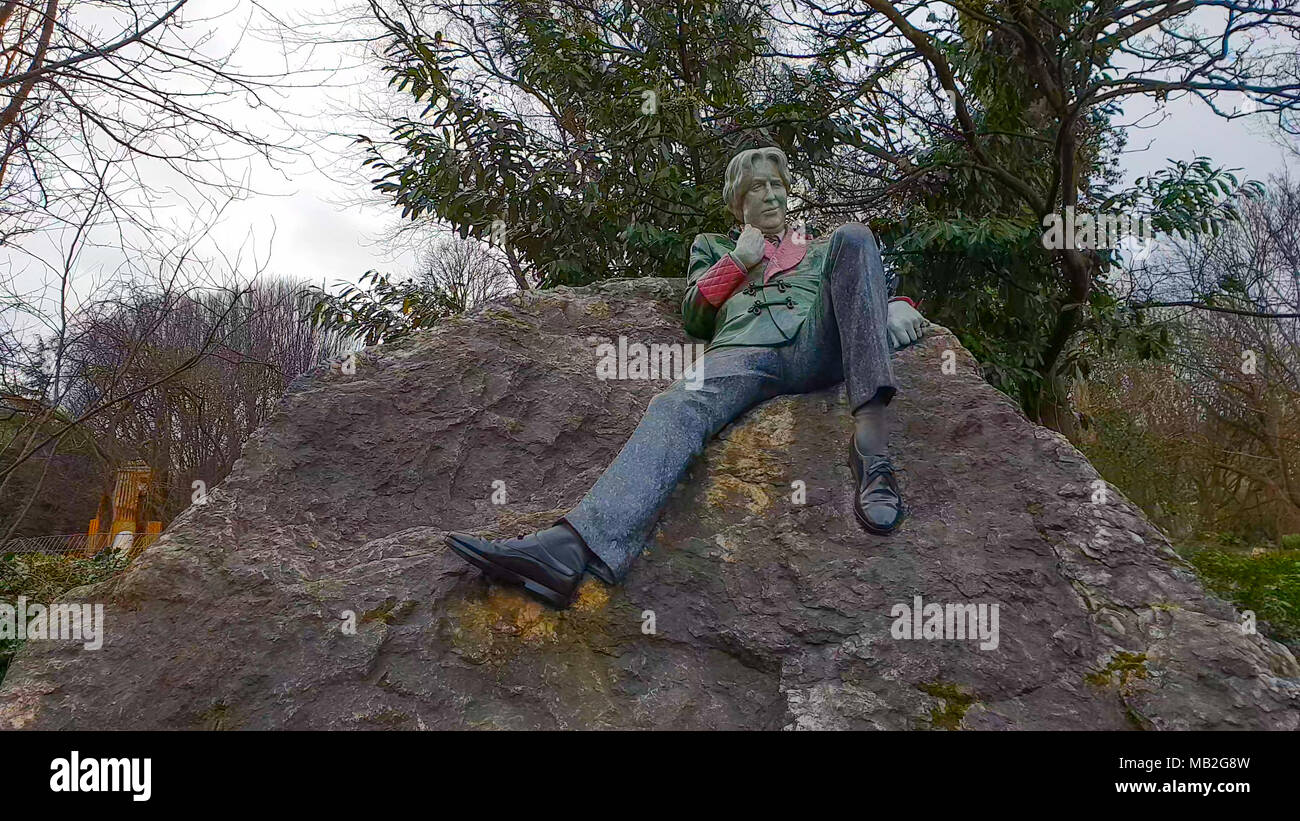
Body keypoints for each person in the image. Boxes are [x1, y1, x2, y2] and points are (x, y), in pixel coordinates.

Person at [446, 146, 929, 608]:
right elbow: (696, 316)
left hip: (813, 344)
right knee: (676, 404)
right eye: (758, 188)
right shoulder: (714, 247)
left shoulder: (820, 249)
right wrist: (739, 260)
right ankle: (567, 551)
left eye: (778, 185)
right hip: (743, 353)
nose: (772, 196)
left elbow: (855, 286)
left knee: (856, 234)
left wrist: (891, 305)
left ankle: (872, 454)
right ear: (739, 201)